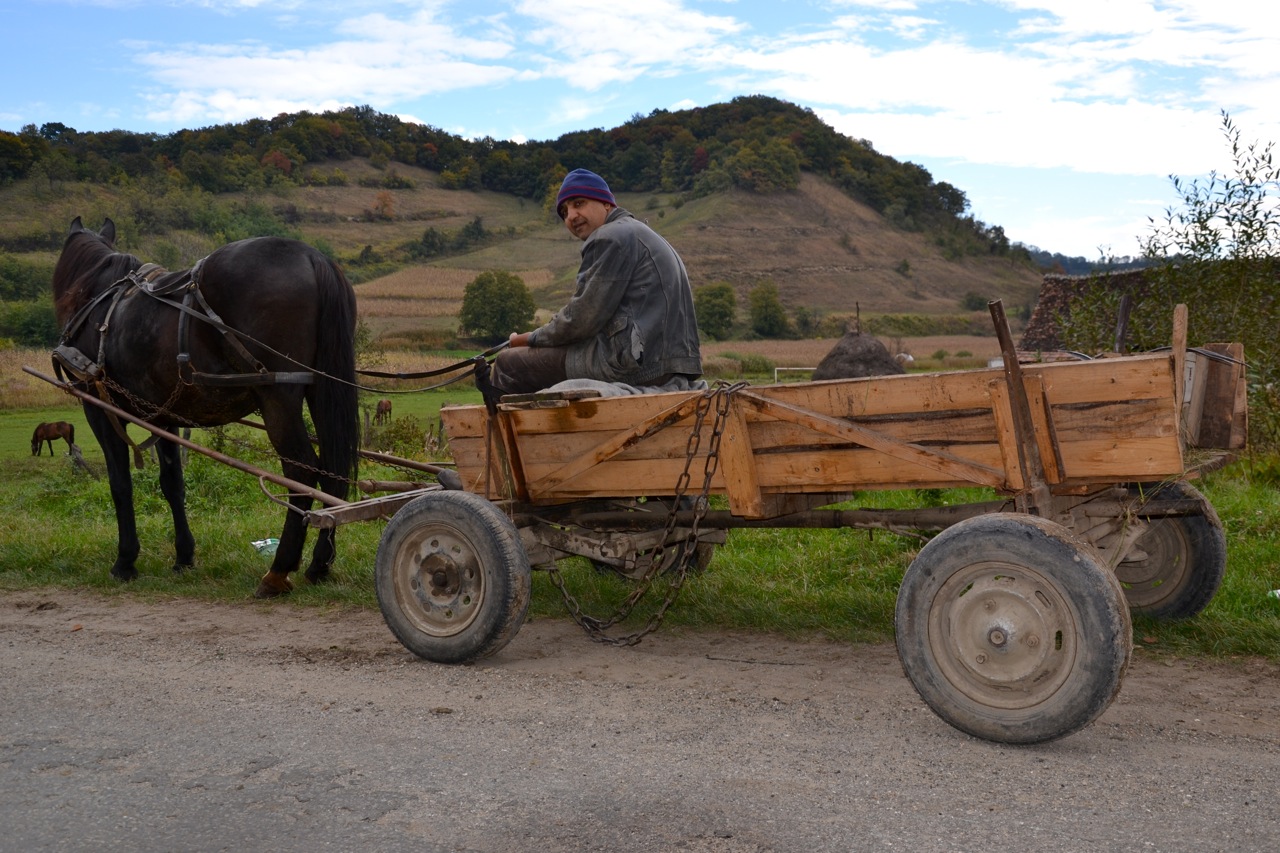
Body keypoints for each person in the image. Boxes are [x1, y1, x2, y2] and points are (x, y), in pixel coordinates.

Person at [488, 169, 702, 396]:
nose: (571, 216)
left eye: (578, 203)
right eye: (565, 212)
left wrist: (529, 338)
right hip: (674, 363)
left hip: (634, 363)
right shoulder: (642, 233)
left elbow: (579, 320)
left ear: (606, 204)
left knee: (507, 363)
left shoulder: (609, 237)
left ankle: (508, 431)